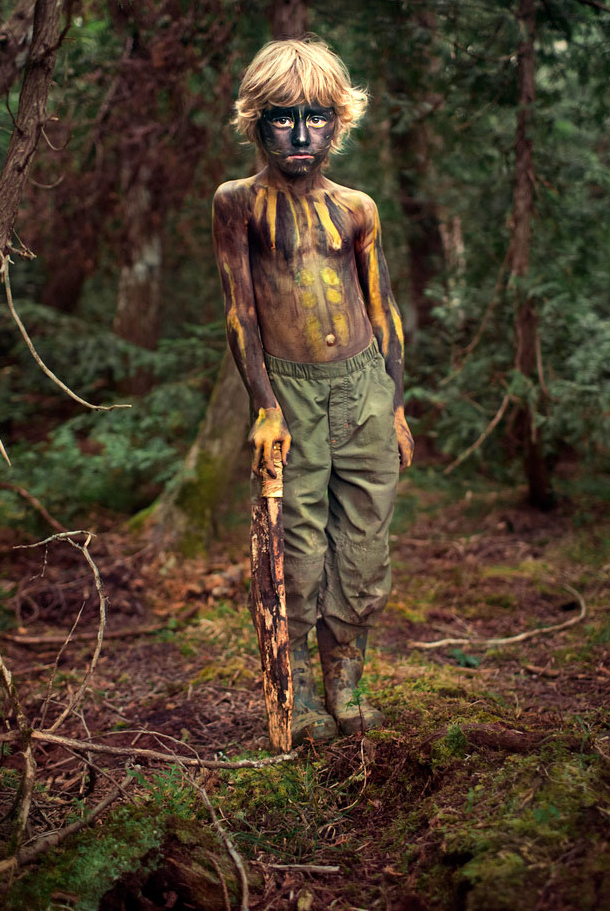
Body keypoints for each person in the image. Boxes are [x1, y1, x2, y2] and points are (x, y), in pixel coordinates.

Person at [212, 38, 413, 744]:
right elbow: (240, 313)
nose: (301, 135)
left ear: (340, 122)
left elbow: (382, 309)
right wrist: (266, 405)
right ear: (256, 123)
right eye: (282, 118)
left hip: (362, 389)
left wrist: (393, 406)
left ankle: (346, 687)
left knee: (362, 546)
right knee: (296, 547)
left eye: (317, 118)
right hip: (291, 394)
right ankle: (292, 693)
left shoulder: (356, 207)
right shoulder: (238, 204)